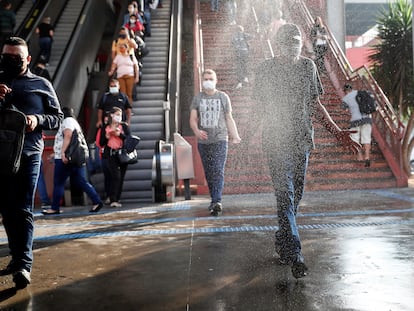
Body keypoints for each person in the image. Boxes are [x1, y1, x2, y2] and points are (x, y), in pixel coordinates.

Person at [253, 24, 360, 279]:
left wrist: (337, 133)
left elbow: (315, 104)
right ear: (278, 45)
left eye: (297, 42)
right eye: (288, 42)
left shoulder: (307, 67)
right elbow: (258, 108)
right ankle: (296, 255)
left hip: (301, 141)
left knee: (295, 195)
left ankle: (283, 240)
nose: (293, 47)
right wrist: (247, 136)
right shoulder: (265, 70)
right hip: (275, 141)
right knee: (285, 194)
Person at [0, 36, 63, 289]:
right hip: (1, 156)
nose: (9, 61)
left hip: (29, 153)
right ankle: (16, 258)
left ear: (27, 59)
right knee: (6, 209)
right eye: (6, 57)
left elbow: (57, 118)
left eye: (15, 58)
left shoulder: (41, 84)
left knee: (23, 208)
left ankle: (24, 264)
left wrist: (37, 120)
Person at [189, 69, 241, 216]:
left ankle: (217, 200)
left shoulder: (223, 97)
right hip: (204, 142)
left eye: (211, 79)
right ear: (202, 80)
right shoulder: (197, 98)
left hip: (220, 139)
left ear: (216, 80)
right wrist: (197, 131)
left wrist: (235, 135)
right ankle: (214, 200)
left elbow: (229, 118)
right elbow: (193, 119)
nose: (208, 81)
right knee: (209, 172)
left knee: (218, 169)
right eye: (206, 79)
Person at [41, 107, 103, 215]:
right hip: (75, 157)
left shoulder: (67, 121)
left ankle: (54, 208)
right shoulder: (74, 122)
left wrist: (62, 153)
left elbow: (68, 136)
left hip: (66, 159)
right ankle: (96, 201)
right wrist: (56, 154)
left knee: (59, 182)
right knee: (81, 181)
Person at [99, 107, 132, 208]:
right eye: (117, 114)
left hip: (122, 153)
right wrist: (107, 136)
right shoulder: (105, 127)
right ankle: (113, 198)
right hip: (111, 153)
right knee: (115, 176)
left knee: (121, 177)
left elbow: (129, 139)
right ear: (111, 115)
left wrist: (120, 135)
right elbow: (101, 142)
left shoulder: (124, 126)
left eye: (120, 115)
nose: (119, 117)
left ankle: (117, 198)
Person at [342, 84, 373, 167]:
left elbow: (345, 110)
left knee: (355, 139)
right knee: (366, 139)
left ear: (345, 91)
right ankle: (367, 157)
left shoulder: (346, 98)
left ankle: (359, 156)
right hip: (367, 119)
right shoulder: (361, 93)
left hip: (355, 121)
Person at [231, 25, 252, 89]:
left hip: (238, 53)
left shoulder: (234, 36)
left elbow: (232, 43)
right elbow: (251, 37)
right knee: (244, 65)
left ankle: (240, 82)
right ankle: (245, 78)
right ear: (242, 30)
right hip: (244, 52)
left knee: (239, 67)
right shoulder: (243, 34)